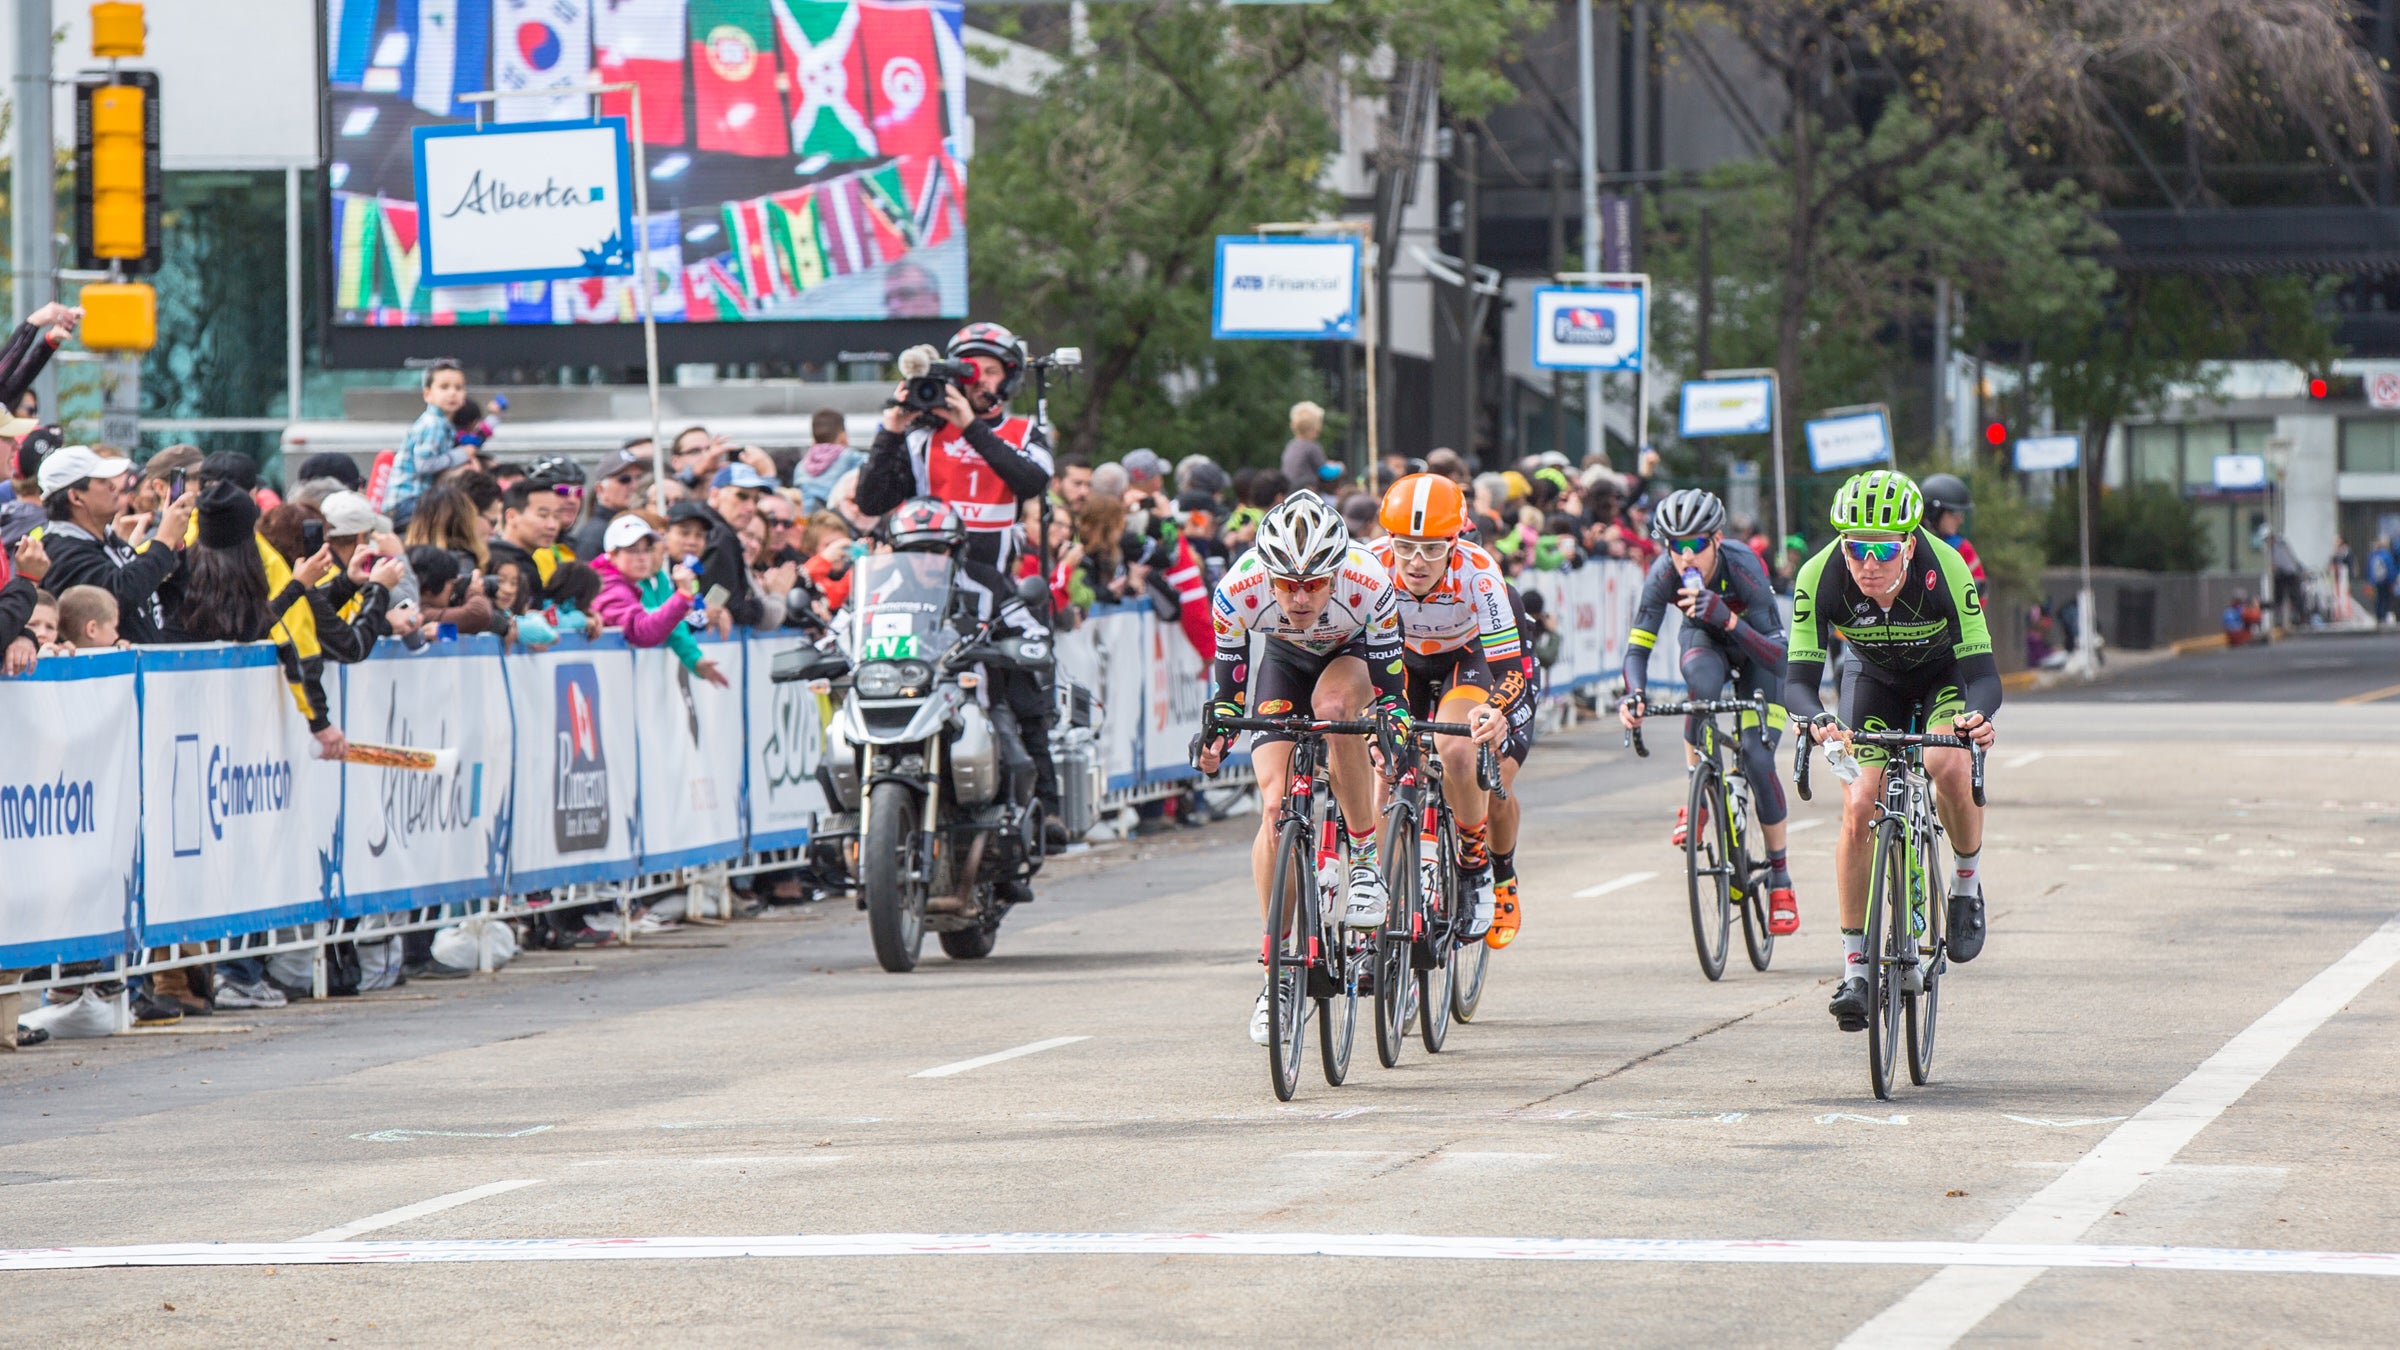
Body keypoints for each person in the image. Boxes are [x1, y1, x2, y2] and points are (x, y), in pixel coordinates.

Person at [1784, 469, 2000, 1034]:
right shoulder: (1819, 575)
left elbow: (1984, 677)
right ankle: (1856, 969)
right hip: (1872, 678)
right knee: (1860, 805)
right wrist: (1817, 720)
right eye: (1856, 549)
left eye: (1882, 549)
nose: (1868, 563)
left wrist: (1978, 718)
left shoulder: (1947, 568)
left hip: (1943, 674)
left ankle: (1965, 882)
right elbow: (1799, 682)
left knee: (1945, 763)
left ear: (1908, 543)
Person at [1191, 491, 1407, 1045]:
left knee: (1333, 710)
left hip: (1352, 656)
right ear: (1268, 576)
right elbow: (1228, 695)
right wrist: (1215, 737)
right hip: (1284, 662)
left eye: (1314, 584)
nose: (1301, 597)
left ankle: (1364, 860)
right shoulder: (1236, 590)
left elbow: (1391, 692)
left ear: (1336, 573)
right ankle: (1278, 973)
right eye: (1287, 585)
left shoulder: (1369, 581)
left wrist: (1393, 730)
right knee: (1274, 808)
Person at [1617, 489, 1799, 937]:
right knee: (1699, 685)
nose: (1685, 556)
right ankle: (1698, 794)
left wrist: (1728, 619)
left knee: (1757, 757)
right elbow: (1637, 649)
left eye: (1695, 544)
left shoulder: (1743, 565)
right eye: (1675, 546)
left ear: (1716, 539)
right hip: (1706, 646)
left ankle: (1780, 878)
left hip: (1756, 654)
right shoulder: (1664, 574)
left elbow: (1780, 658)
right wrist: (1634, 694)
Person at [1369, 474, 1519, 939]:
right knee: (1381, 763)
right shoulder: (1370, 565)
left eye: (1432, 549)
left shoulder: (1479, 573)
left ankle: (1473, 862)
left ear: (1454, 543)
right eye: (1405, 547)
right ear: (1389, 539)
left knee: (1455, 747)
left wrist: (1495, 709)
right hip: (1400, 661)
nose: (1417, 562)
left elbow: (1510, 670)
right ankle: (1376, 900)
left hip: (1465, 659)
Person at [858, 322, 1054, 574]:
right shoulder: (924, 433)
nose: (980, 380)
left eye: (991, 371)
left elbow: (1033, 482)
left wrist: (971, 427)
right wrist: (890, 434)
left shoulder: (1024, 433)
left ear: (1009, 377)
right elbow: (871, 503)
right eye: (970, 371)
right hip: (929, 577)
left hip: (993, 579)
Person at [37, 444, 193, 645]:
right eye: (102, 481)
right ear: (75, 496)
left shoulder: (109, 541)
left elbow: (153, 603)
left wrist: (176, 545)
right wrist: (164, 540)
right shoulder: (61, 552)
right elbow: (120, 597)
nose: (114, 487)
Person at [388, 359, 474, 521]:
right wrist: (460, 454)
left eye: (458, 388)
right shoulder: (433, 424)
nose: (452, 393)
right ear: (427, 394)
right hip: (409, 502)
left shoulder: (442, 424)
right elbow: (424, 465)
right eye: (444, 387)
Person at [568, 444, 652, 562]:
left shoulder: (633, 522)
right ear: (600, 489)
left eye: (639, 477)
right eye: (624, 479)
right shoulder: (593, 536)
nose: (634, 485)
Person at [791, 409, 865, 511]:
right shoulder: (850, 457)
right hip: (836, 517)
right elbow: (876, 466)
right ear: (843, 436)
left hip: (807, 518)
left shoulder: (800, 466)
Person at [1919, 473, 1984, 583]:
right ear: (1934, 512)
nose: (1960, 520)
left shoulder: (1962, 548)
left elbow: (1979, 585)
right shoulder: (1908, 545)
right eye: (1954, 513)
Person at [1281, 401, 1328, 490]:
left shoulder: (1290, 446)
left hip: (1289, 490)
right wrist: (1338, 468)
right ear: (1317, 428)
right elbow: (1325, 473)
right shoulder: (1312, 447)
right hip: (1306, 491)